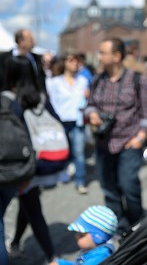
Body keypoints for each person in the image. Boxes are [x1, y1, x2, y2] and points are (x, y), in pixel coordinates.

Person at [85, 38, 147, 234]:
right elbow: (90, 104)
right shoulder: (98, 79)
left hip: (128, 142)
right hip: (103, 143)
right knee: (109, 188)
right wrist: (92, 114)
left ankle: (135, 222)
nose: (99, 56)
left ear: (116, 56)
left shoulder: (136, 79)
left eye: (102, 52)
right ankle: (116, 225)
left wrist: (139, 138)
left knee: (128, 185)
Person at [2, 55, 58, 264]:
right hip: (33, 165)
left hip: (10, 166)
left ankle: (51, 256)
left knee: (30, 210)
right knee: (30, 205)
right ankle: (19, 244)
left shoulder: (6, 101)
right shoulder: (39, 98)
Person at [47, 54, 90, 194]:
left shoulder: (83, 80)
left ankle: (80, 180)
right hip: (60, 121)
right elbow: (51, 102)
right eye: (71, 60)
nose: (75, 63)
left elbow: (87, 99)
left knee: (79, 152)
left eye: (77, 61)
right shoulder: (54, 82)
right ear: (64, 62)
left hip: (77, 120)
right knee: (62, 151)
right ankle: (60, 175)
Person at [49, 205, 118, 265]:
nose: (76, 236)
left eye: (82, 235)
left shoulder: (99, 257)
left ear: (98, 237)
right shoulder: (95, 249)